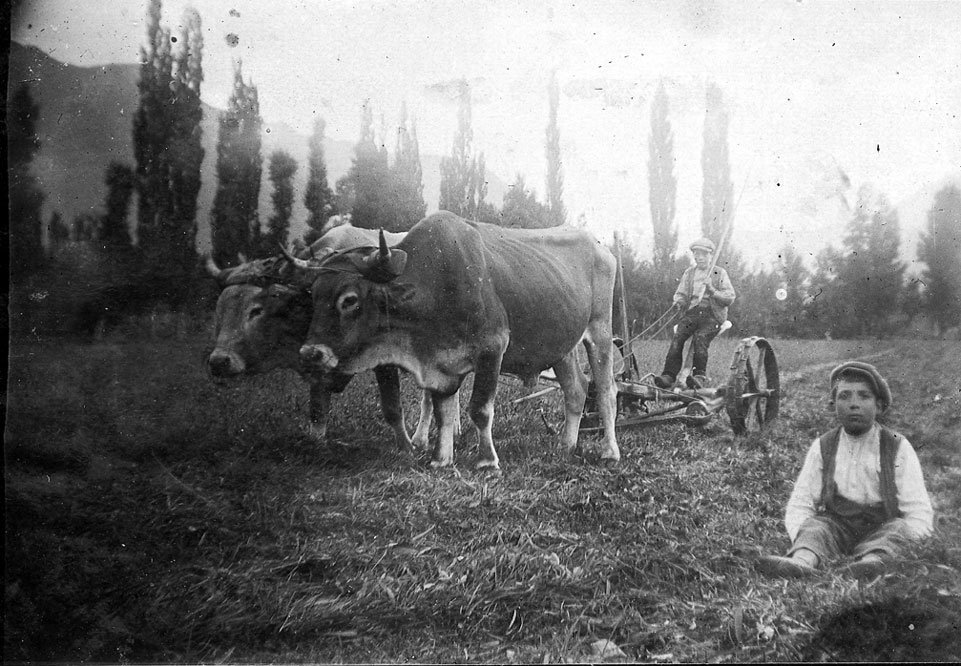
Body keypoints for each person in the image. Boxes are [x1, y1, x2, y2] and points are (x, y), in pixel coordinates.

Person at [757, 361, 934, 579]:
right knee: (816, 527)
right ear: (833, 405)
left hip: (882, 525)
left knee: (897, 529)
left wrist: (909, 537)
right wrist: (802, 535)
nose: (854, 404)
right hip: (838, 527)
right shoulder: (823, 446)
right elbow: (801, 503)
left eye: (864, 396)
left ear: (879, 406)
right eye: (844, 396)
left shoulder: (897, 445)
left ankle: (872, 563)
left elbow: (918, 510)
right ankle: (802, 561)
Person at [653, 237, 736, 390]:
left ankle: (699, 376)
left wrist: (712, 291)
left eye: (704, 254)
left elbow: (730, 297)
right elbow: (681, 294)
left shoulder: (719, 273)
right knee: (678, 338)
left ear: (711, 255)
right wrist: (678, 302)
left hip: (713, 316)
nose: (700, 257)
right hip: (692, 314)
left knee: (700, 338)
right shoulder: (689, 274)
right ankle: (669, 375)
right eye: (697, 254)